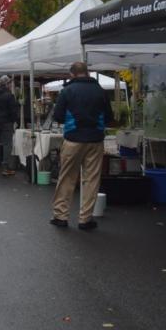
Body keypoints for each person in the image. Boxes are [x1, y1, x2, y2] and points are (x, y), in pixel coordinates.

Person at [49, 62, 115, 230]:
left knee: (67, 177)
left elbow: (58, 116)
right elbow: (109, 117)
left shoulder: (67, 91)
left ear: (72, 74)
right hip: (95, 139)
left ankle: (61, 216)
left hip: (73, 139)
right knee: (91, 179)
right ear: (87, 73)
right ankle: (85, 219)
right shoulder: (100, 91)